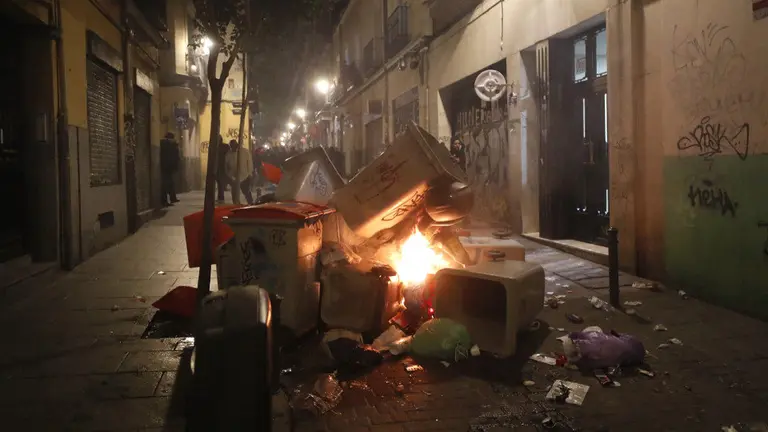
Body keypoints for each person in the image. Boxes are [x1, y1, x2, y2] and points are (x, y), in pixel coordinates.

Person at [225, 139, 254, 205]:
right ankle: (236, 204)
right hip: (233, 177)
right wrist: (229, 176)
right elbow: (226, 165)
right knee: (234, 193)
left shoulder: (245, 152)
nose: (233, 148)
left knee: (246, 191)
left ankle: (251, 203)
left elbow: (249, 163)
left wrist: (250, 173)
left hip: (245, 176)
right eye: (231, 146)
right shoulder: (229, 154)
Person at [160, 132, 180, 206]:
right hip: (169, 167)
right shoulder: (172, 144)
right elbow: (175, 157)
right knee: (168, 184)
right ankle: (169, 199)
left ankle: (170, 199)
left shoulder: (162, 143)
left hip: (165, 167)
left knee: (168, 184)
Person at [216, 135, 229, 203]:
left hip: (221, 166)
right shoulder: (225, 146)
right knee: (220, 182)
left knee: (220, 182)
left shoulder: (218, 147)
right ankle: (220, 196)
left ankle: (221, 197)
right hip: (220, 166)